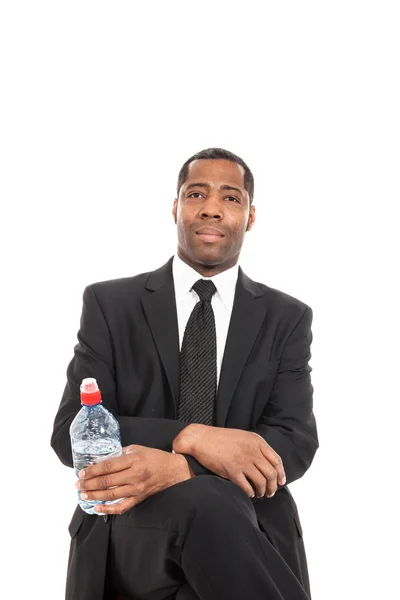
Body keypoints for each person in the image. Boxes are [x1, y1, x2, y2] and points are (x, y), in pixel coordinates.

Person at [51, 147, 318, 600]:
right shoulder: (111, 305)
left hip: (249, 527)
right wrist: (192, 435)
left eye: (231, 198)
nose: (212, 207)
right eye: (197, 193)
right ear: (176, 207)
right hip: (132, 524)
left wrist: (183, 467)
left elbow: (295, 441)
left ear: (251, 217)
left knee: (214, 503)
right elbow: (70, 433)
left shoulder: (286, 317)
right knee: (211, 502)